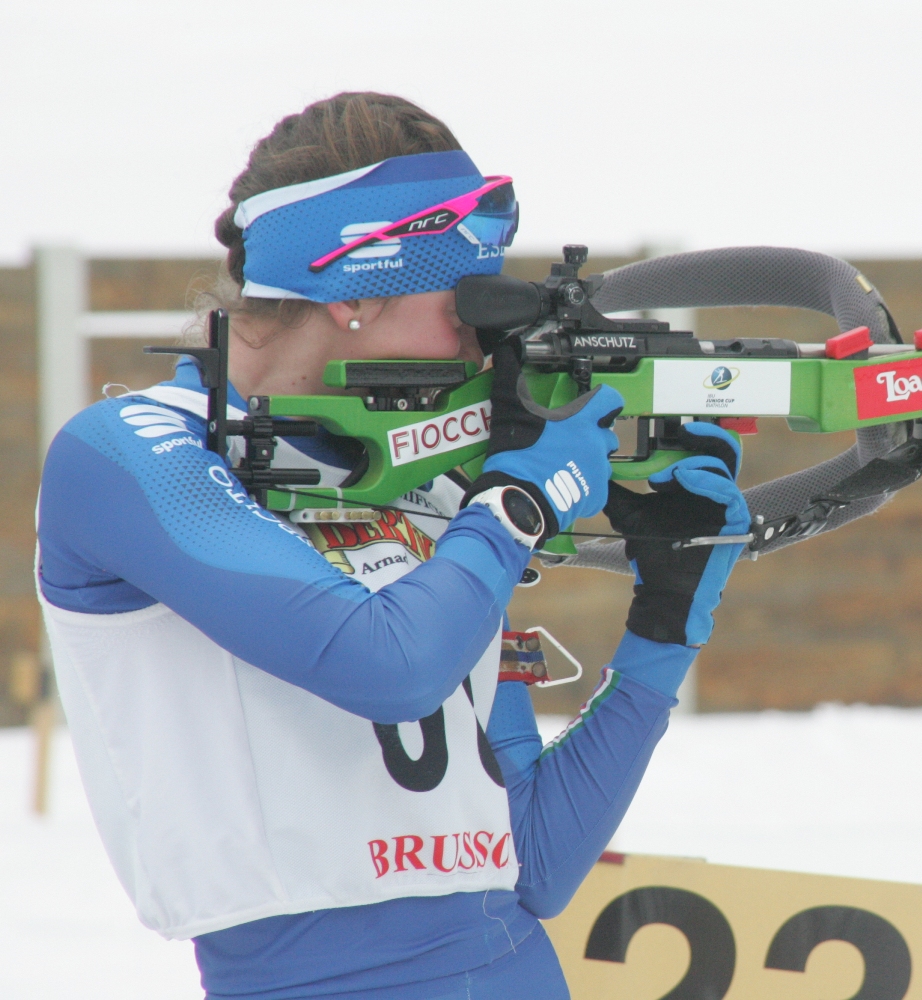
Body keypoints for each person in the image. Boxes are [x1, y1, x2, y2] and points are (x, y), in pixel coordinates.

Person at [35, 92, 749, 999]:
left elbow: (532, 866)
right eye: (465, 295)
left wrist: (663, 629)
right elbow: (385, 663)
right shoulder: (130, 454)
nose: (482, 335)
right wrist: (518, 505)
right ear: (356, 292)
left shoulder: (426, 470)